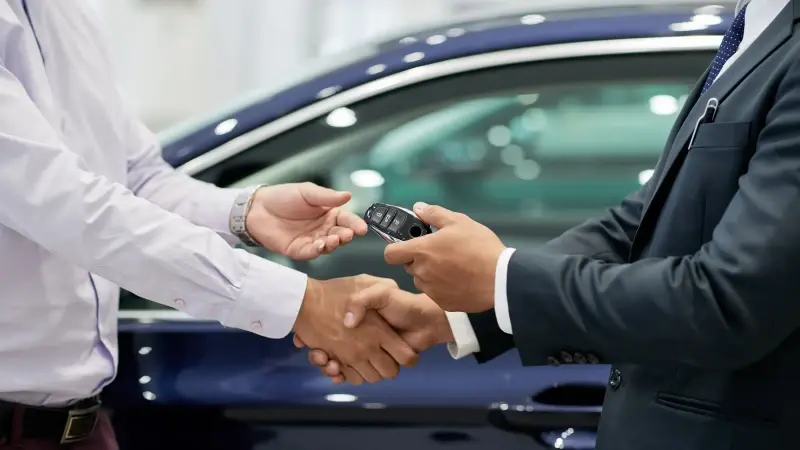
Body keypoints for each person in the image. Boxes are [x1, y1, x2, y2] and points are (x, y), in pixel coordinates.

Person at [299, 0, 800, 448]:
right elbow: (640, 226)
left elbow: (727, 301)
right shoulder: (759, 21)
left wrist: (502, 280)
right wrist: (456, 313)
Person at [0, 2, 417, 449]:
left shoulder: (64, 13)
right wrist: (303, 302)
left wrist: (244, 212)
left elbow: (138, 177)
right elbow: (66, 203)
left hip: (80, 425)